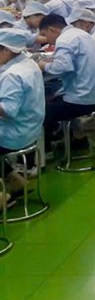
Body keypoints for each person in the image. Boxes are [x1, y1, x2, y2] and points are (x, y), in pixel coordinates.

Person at [38, 13, 95, 149]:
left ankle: (42, 153)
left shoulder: (64, 40)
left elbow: (63, 67)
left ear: (52, 29)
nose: (46, 39)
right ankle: (76, 138)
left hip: (81, 100)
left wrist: (43, 65)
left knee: (41, 111)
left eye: (45, 35)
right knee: (54, 97)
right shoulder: (79, 34)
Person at [0, 28, 45, 206]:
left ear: (7, 50)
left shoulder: (12, 75)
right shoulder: (28, 64)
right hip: (31, 128)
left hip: (14, 134)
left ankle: (3, 200)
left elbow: (8, 111)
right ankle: (17, 182)